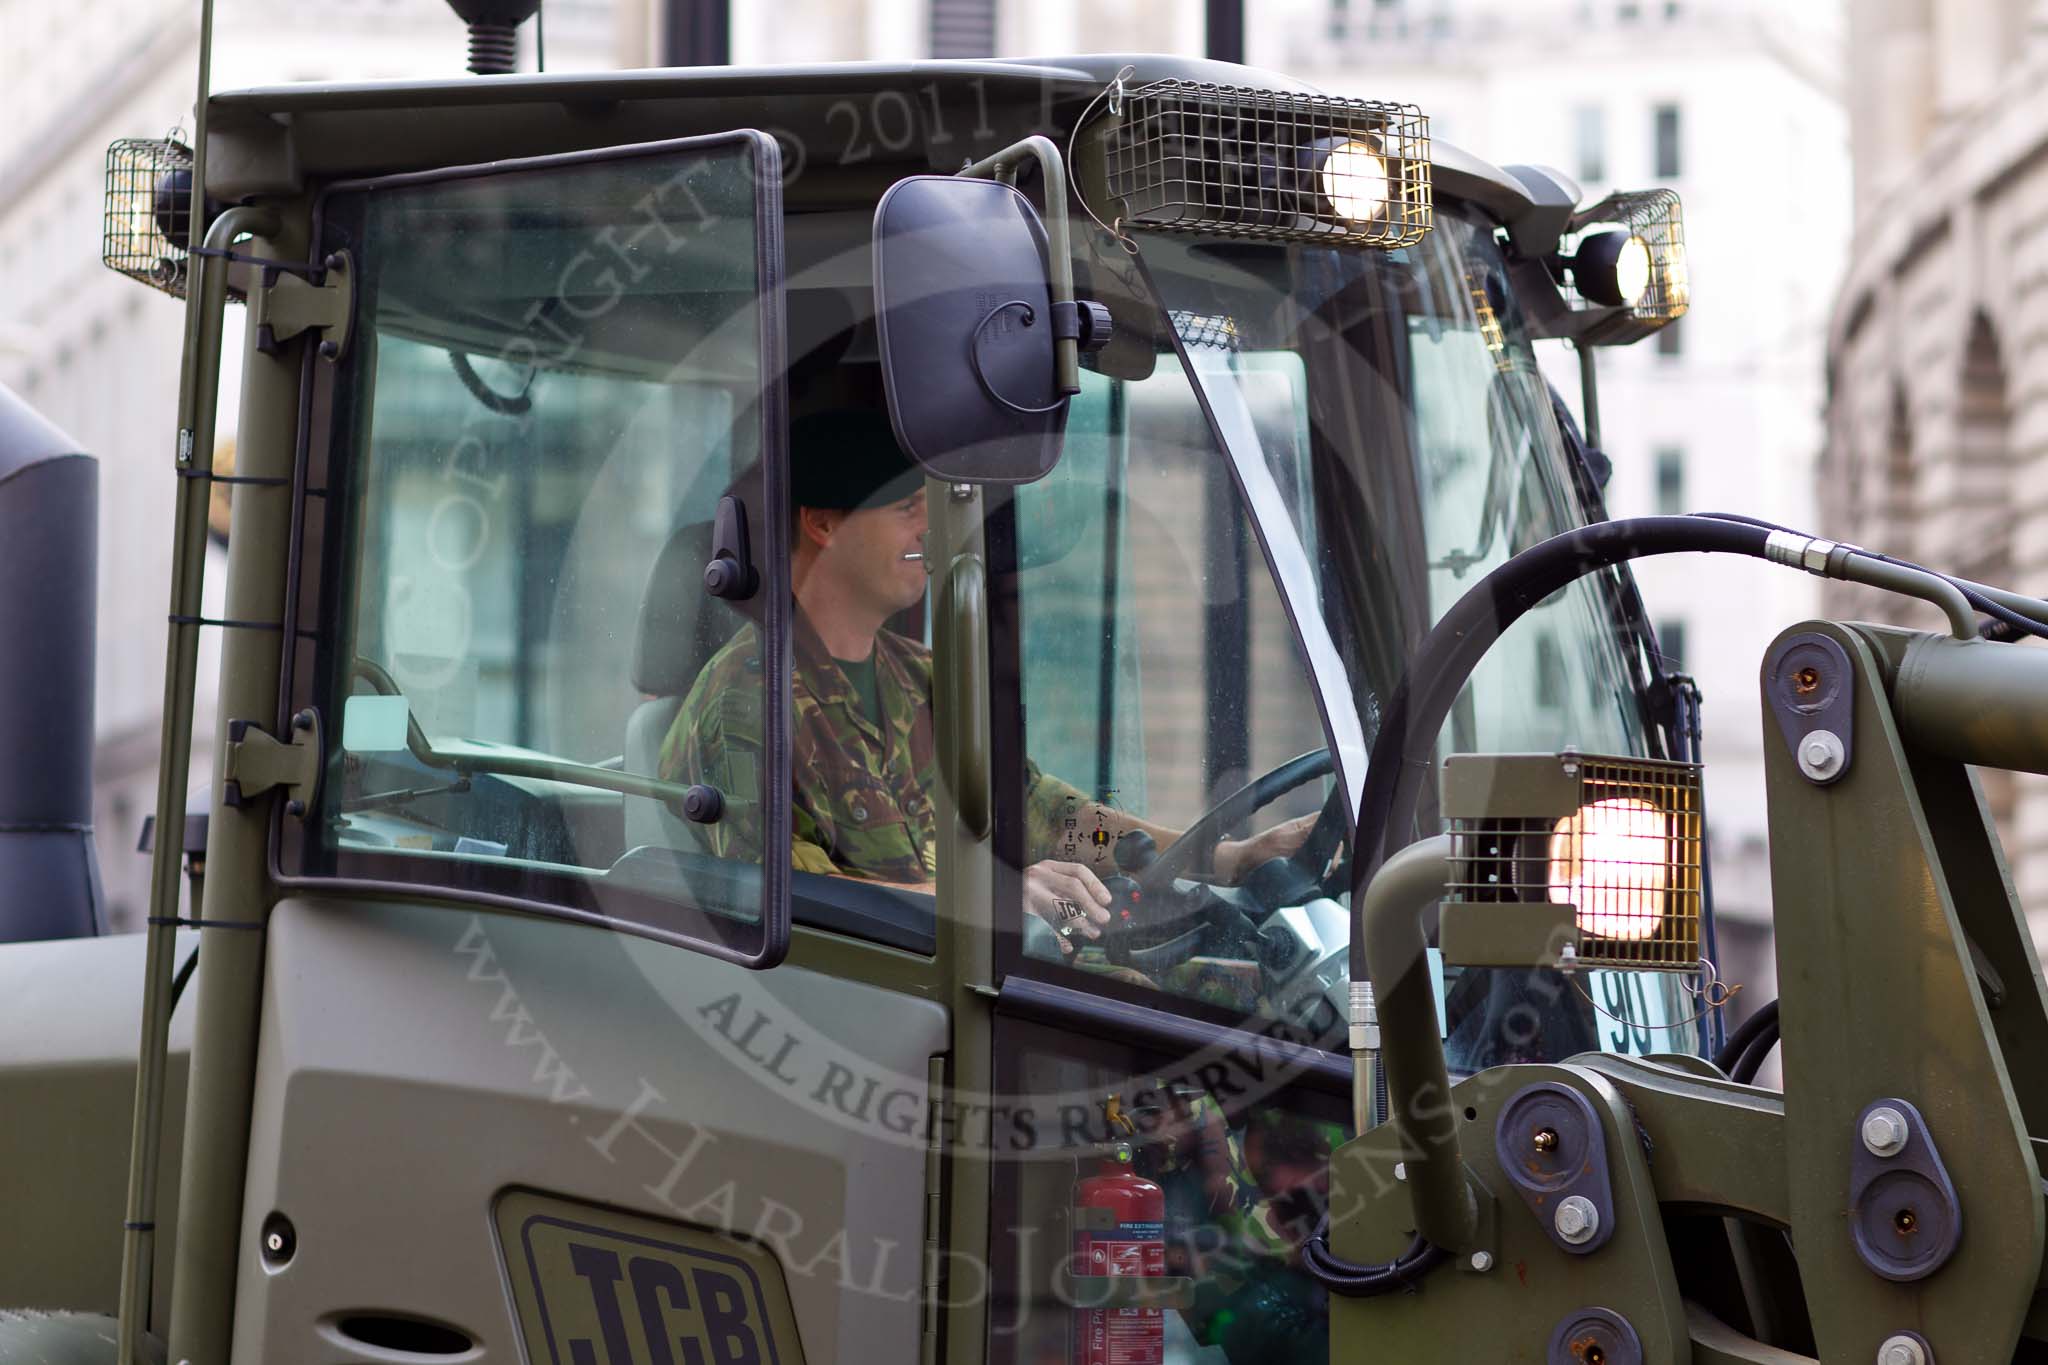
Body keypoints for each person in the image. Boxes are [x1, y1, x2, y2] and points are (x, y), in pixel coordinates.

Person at [659, 410, 1313, 948]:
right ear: (823, 521)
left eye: (932, 504)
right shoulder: (746, 705)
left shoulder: (921, 676)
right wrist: (995, 898)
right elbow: (789, 899)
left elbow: (1054, 818)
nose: (931, 527)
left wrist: (1230, 856)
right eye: (906, 509)